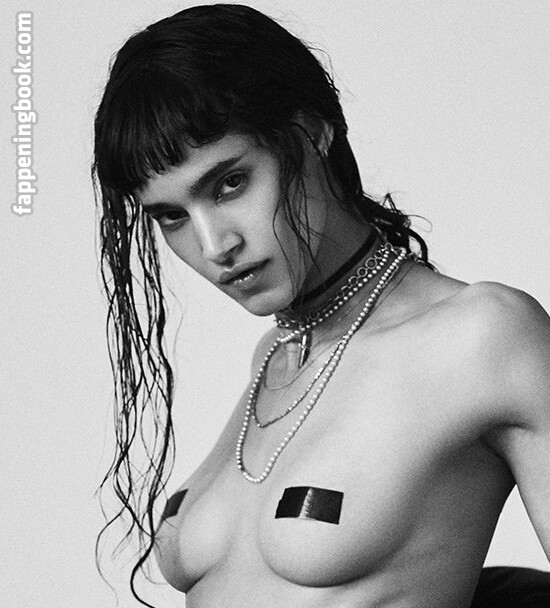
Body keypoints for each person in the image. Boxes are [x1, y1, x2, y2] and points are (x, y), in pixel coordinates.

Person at [93, 4, 550, 607]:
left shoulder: (484, 336)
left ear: (312, 130)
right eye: (172, 216)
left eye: (229, 183)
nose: (214, 246)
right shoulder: (276, 360)